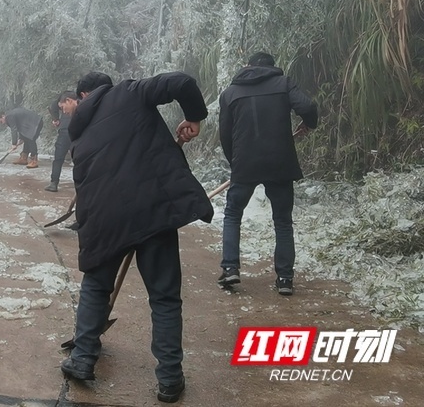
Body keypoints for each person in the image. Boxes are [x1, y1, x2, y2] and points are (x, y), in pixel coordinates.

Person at [60, 70, 213, 404]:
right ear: (105, 88)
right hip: (152, 211)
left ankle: (83, 357)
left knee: (96, 286)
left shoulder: (79, 136)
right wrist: (194, 119)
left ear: (82, 96)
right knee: (164, 297)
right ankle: (170, 379)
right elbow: (182, 83)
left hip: (103, 222)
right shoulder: (129, 92)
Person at [217, 52, 318, 295]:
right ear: (272, 67)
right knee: (282, 221)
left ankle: (230, 268)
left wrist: (237, 163)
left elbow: (225, 135)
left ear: (248, 66)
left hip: (245, 164)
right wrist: (309, 123)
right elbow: (308, 106)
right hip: (279, 163)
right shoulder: (283, 84)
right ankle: (285, 278)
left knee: (232, 215)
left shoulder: (230, 93)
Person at [46, 91, 77, 192]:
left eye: (62, 106)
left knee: (58, 159)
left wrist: (56, 119)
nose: (63, 110)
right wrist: (56, 118)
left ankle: (53, 183)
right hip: (76, 132)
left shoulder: (65, 103)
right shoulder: (82, 102)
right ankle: (80, 185)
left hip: (65, 131)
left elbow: (54, 104)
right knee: (79, 160)